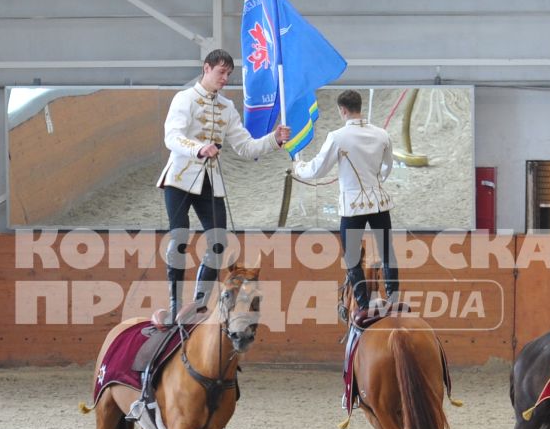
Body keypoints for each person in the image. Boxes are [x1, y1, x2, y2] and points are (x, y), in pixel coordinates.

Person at [155, 49, 289, 325]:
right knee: (179, 237)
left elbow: (244, 146)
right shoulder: (185, 99)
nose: (225, 79)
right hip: (180, 178)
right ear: (206, 68)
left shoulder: (227, 108)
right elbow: (172, 137)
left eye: (228, 74)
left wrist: (273, 139)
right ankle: (173, 303)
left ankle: (199, 303)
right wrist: (199, 149)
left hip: (209, 183)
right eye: (221, 72)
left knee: (219, 241)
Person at [290, 89, 396, 318]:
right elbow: (387, 167)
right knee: (388, 252)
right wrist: (375, 183)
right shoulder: (382, 134)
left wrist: (299, 167)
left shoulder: (337, 136)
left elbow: (318, 168)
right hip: (379, 202)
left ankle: (363, 304)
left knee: (352, 257)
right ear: (360, 107)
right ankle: (394, 298)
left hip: (353, 206)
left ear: (343, 110)